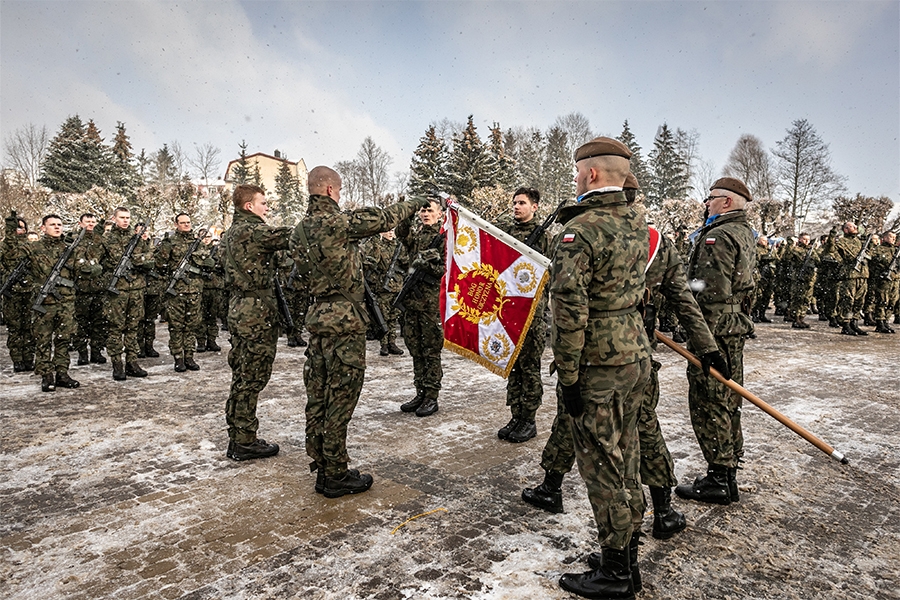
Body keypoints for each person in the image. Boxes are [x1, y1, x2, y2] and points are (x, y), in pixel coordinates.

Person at [550, 138, 651, 600]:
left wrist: (568, 376)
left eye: (577, 172)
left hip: (599, 362)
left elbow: (570, 313)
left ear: (590, 174)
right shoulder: (634, 221)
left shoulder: (581, 231)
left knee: (601, 464)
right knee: (626, 454)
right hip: (634, 354)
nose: (575, 178)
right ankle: (625, 551)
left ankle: (614, 574)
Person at [292, 166, 423, 497]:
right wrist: (416, 202)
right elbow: (384, 218)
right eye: (339, 189)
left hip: (318, 316)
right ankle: (335, 474)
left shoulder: (299, 231)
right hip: (344, 321)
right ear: (331, 191)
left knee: (318, 396)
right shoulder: (337, 223)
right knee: (341, 398)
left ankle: (322, 465)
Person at [676, 177, 756, 507]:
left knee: (710, 401)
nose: (706, 204)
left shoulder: (718, 236)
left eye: (710, 199)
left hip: (715, 330)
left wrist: (701, 338)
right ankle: (729, 470)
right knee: (728, 398)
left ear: (725, 202)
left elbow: (708, 292)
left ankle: (719, 477)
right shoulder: (744, 232)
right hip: (732, 326)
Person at [221, 184, 293, 461]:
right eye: (263, 202)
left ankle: (240, 436)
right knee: (251, 377)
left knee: (242, 374)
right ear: (249, 206)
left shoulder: (231, 233)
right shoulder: (253, 231)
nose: (267, 207)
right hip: (255, 312)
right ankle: (243, 440)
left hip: (241, 307)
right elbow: (291, 237)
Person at [495, 187, 551, 443]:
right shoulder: (505, 235)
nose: (516, 207)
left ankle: (529, 419)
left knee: (529, 368)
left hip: (533, 315)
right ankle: (516, 415)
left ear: (535, 207)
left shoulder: (546, 238)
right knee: (514, 367)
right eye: (515, 203)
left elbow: (553, 274)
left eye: (522, 203)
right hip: (508, 312)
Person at [395, 196, 446, 417]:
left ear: (440, 214)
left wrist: (426, 265)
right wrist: (406, 211)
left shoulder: (445, 239)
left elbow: (447, 270)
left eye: (429, 210)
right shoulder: (416, 236)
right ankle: (420, 392)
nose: (425, 213)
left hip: (430, 303)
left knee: (431, 350)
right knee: (415, 348)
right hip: (413, 302)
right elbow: (401, 234)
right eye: (422, 210)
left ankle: (431, 396)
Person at [25, 215, 84, 392]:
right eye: (52, 225)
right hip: (44, 303)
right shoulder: (33, 248)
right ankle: (46, 374)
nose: (57, 227)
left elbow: (82, 270)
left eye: (59, 225)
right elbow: (12, 260)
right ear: (43, 228)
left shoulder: (69, 248)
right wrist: (34, 285)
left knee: (63, 339)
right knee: (43, 340)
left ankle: (62, 373)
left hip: (66, 301)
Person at [155, 213, 213, 372]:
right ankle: (178, 357)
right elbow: (159, 264)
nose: (186, 225)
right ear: (176, 224)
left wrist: (203, 260)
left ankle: (189, 356)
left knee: (191, 325)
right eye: (183, 223)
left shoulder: (198, 242)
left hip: (194, 290)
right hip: (176, 291)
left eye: (188, 222)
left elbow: (209, 262)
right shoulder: (170, 242)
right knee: (176, 325)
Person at [101, 207, 153, 381]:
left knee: (133, 327)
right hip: (117, 291)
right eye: (122, 217)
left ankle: (132, 362)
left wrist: (138, 261)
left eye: (128, 217)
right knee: (115, 328)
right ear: (114, 218)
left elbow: (149, 260)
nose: (125, 220)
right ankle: (117, 364)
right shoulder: (107, 239)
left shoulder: (137, 239)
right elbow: (101, 264)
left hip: (136, 289)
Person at [1, 213, 36, 372]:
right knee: (15, 328)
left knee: (29, 326)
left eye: (22, 227)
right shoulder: (4, 245)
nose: (19, 230)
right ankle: (17, 360)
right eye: (16, 227)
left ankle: (29, 358)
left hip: (29, 291)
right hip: (12, 292)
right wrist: (6, 276)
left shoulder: (31, 246)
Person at [361, 229, 405, 356]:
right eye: (387, 231)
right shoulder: (377, 246)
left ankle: (392, 342)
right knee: (383, 317)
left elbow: (405, 262)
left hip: (396, 286)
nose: (390, 233)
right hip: (382, 288)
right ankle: (384, 344)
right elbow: (371, 262)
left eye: (392, 231)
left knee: (393, 317)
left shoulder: (399, 246)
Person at [823, 222, 870, 336]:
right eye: (851, 227)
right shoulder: (842, 241)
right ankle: (846, 324)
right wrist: (831, 237)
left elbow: (869, 254)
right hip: (849, 275)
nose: (855, 228)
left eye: (855, 226)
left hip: (862, 275)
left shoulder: (859, 241)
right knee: (848, 300)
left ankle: (854, 323)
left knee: (859, 301)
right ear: (845, 229)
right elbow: (830, 249)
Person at [73, 213, 107, 365]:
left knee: (98, 322)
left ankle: (96, 351)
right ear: (80, 223)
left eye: (93, 221)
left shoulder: (99, 240)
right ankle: (82, 353)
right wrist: (89, 268)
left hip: (99, 287)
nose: (91, 224)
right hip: (81, 289)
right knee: (81, 323)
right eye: (87, 221)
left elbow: (106, 260)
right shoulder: (74, 240)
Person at [196, 231, 226, 352]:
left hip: (215, 287)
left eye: (208, 237)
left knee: (212, 316)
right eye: (203, 237)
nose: (206, 239)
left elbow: (224, 265)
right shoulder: (195, 251)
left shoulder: (217, 251)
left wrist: (215, 265)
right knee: (201, 317)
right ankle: (201, 342)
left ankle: (212, 340)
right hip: (201, 287)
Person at [786, 232, 818, 329]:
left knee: (806, 299)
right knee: (797, 299)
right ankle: (795, 319)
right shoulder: (795, 249)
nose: (806, 241)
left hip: (809, 279)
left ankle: (801, 318)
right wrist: (790, 245)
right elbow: (787, 257)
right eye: (804, 239)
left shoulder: (811, 250)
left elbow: (818, 261)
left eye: (807, 239)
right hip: (799, 278)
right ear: (799, 239)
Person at [869, 231, 898, 333]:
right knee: (882, 301)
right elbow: (872, 263)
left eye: (894, 237)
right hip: (883, 279)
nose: (893, 239)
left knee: (892, 301)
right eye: (891, 237)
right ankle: (880, 322)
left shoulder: (896, 250)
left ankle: (886, 321)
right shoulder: (878, 250)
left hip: (895, 279)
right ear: (884, 238)